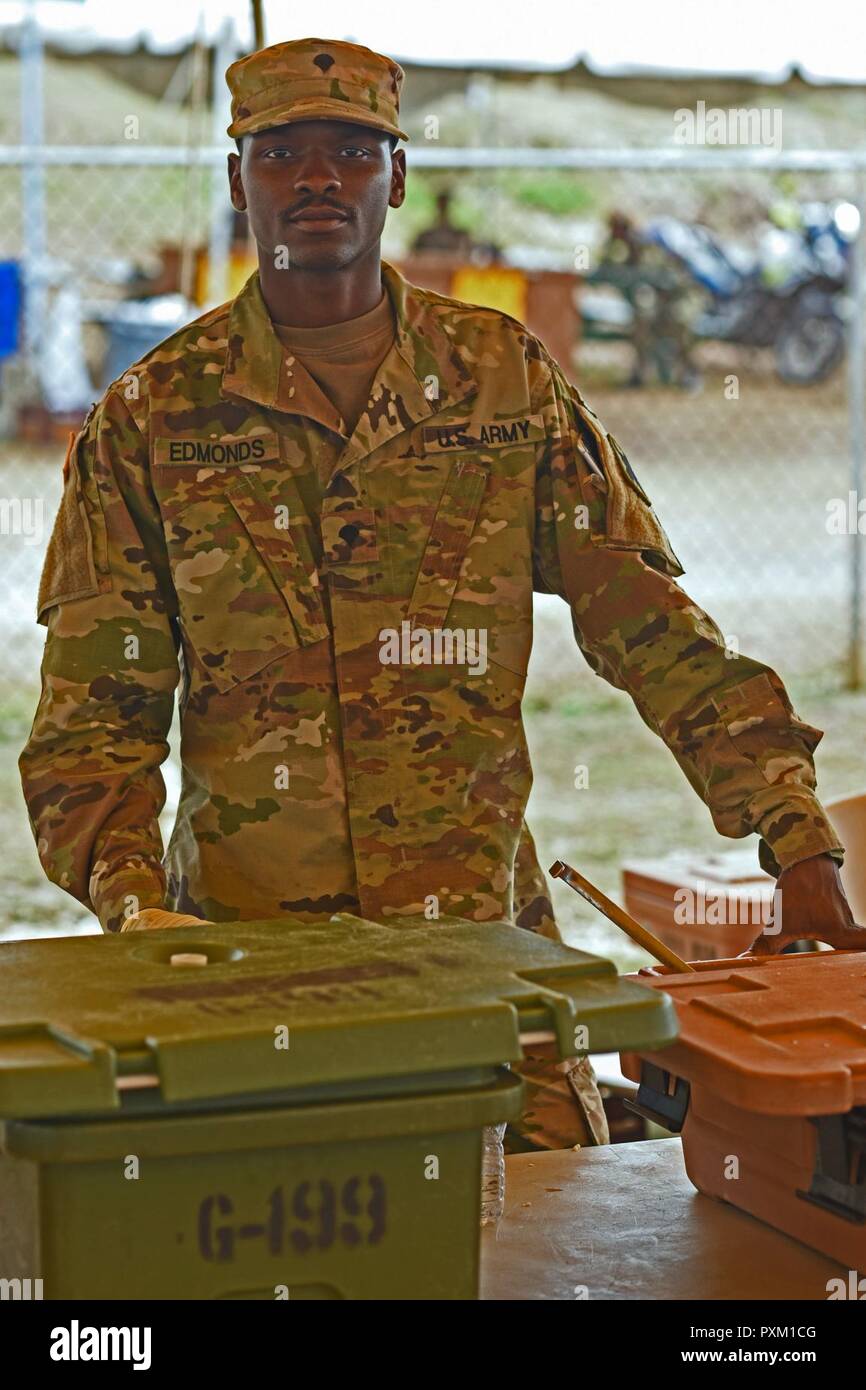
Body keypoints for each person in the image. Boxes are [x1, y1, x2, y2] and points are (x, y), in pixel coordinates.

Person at [19, 38, 862, 1157]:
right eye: (280, 153)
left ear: (396, 176)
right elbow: (92, 728)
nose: (316, 178)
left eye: (350, 150)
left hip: (482, 962)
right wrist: (138, 914)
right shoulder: (153, 417)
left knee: (558, 1239)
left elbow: (652, 629)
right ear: (238, 183)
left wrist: (794, 836)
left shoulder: (501, 383)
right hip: (246, 974)